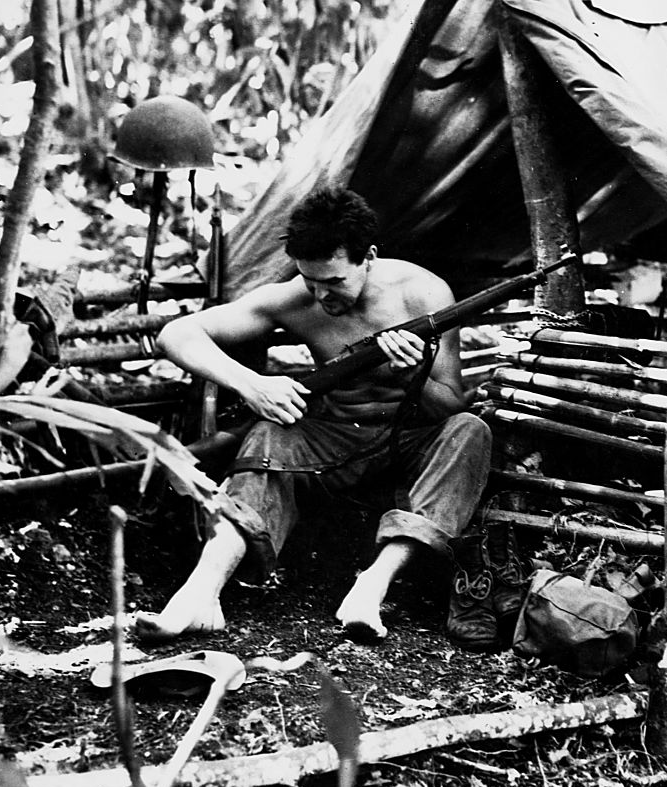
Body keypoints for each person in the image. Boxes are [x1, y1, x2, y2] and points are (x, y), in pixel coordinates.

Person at [135, 187, 492, 643]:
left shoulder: (423, 293)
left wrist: (413, 375)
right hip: (334, 437)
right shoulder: (296, 298)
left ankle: (373, 585)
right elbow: (176, 334)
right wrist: (251, 384)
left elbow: (452, 406)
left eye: (335, 281)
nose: (322, 295)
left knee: (470, 431)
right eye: (311, 280)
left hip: (411, 439)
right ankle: (200, 594)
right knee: (269, 433)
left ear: (369, 257)